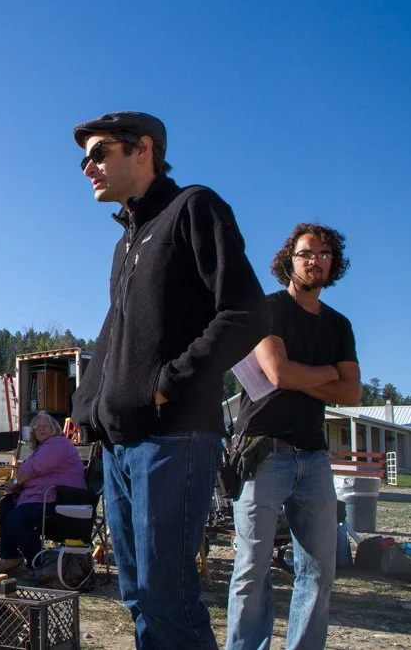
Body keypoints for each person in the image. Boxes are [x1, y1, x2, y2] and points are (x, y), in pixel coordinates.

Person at [70, 111, 270, 648]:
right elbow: (118, 329)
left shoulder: (193, 207)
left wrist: (167, 384)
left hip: (174, 436)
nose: (86, 166)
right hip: (122, 445)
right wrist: (87, 404)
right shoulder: (126, 242)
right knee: (137, 593)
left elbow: (246, 312)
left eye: (98, 152)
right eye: (83, 157)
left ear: (144, 149)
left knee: (168, 597)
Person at [226, 224, 360, 650]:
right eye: (306, 253)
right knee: (252, 568)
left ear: (332, 264)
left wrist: (297, 377)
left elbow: (352, 393)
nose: (315, 260)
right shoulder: (267, 310)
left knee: (320, 571)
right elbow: (277, 373)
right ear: (289, 259)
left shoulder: (339, 325)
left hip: (314, 458)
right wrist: (325, 375)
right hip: (264, 451)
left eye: (324, 254)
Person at [0, 411, 85, 572]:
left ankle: (39, 562)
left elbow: (35, 467)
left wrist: (16, 482)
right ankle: (10, 556)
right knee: (7, 505)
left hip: (60, 498)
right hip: (41, 495)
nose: (41, 429)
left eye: (45, 426)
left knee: (17, 520)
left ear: (54, 428)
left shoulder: (58, 443)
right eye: (37, 428)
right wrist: (17, 485)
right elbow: (32, 471)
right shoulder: (45, 446)